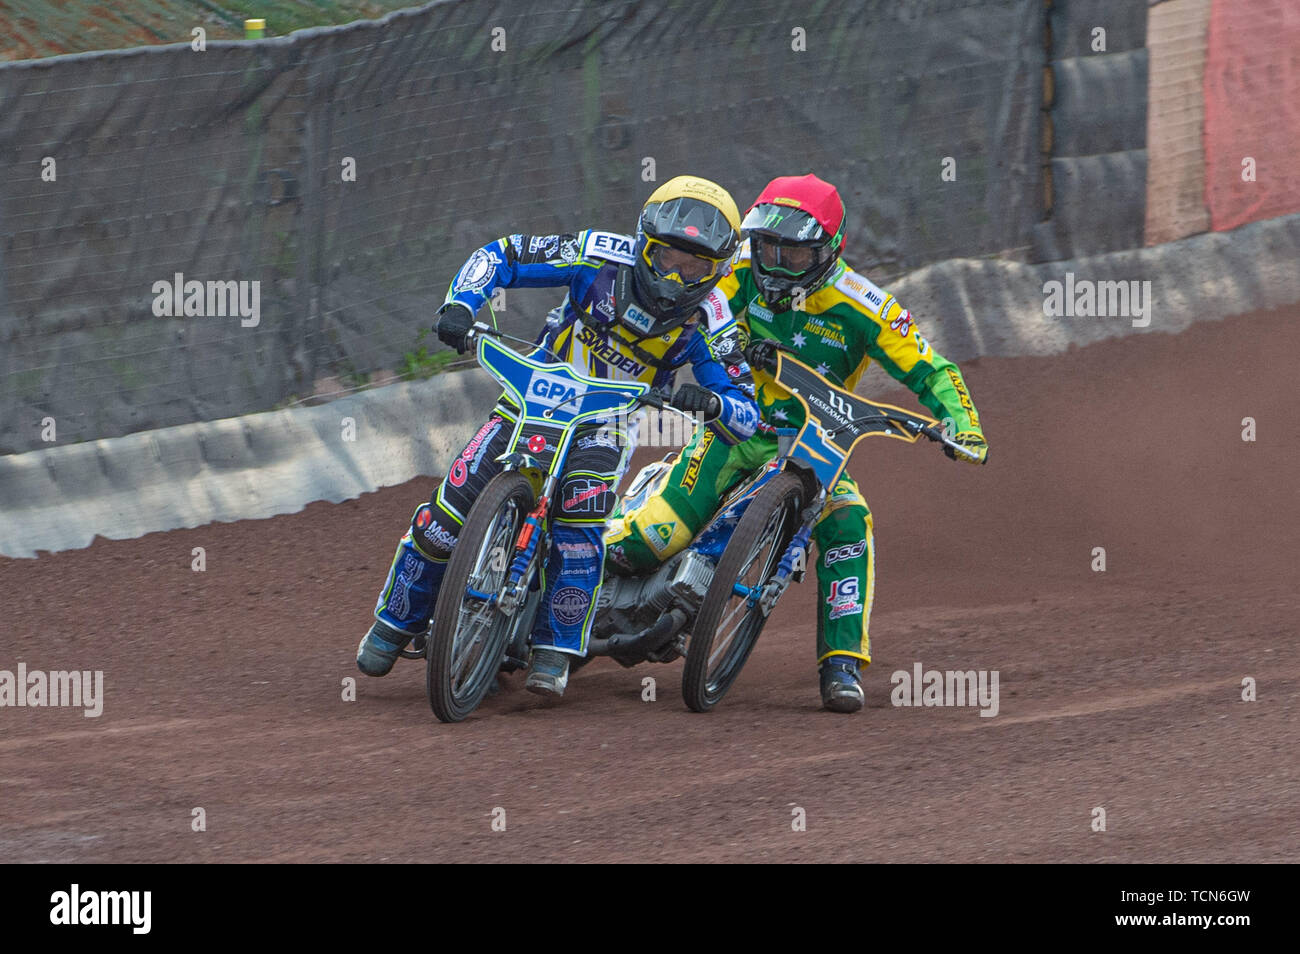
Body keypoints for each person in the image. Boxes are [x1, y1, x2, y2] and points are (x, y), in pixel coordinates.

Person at [356, 176, 760, 699]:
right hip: (534, 394)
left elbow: (746, 411)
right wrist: (461, 304)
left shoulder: (713, 320)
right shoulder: (595, 255)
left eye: (695, 267)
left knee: (578, 523)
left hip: (608, 421)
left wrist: (714, 402)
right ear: (642, 244)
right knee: (447, 512)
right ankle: (394, 622)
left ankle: (555, 648)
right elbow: (503, 254)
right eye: (666, 258)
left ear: (720, 271)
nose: (676, 277)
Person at [605, 174, 988, 713]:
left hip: (817, 445)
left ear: (831, 250)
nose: (776, 262)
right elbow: (687, 314)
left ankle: (841, 664)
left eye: (793, 252)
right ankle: (552, 582)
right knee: (649, 540)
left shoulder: (867, 306)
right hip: (734, 429)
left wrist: (960, 424)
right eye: (767, 246)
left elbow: (933, 369)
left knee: (849, 522)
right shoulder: (736, 269)